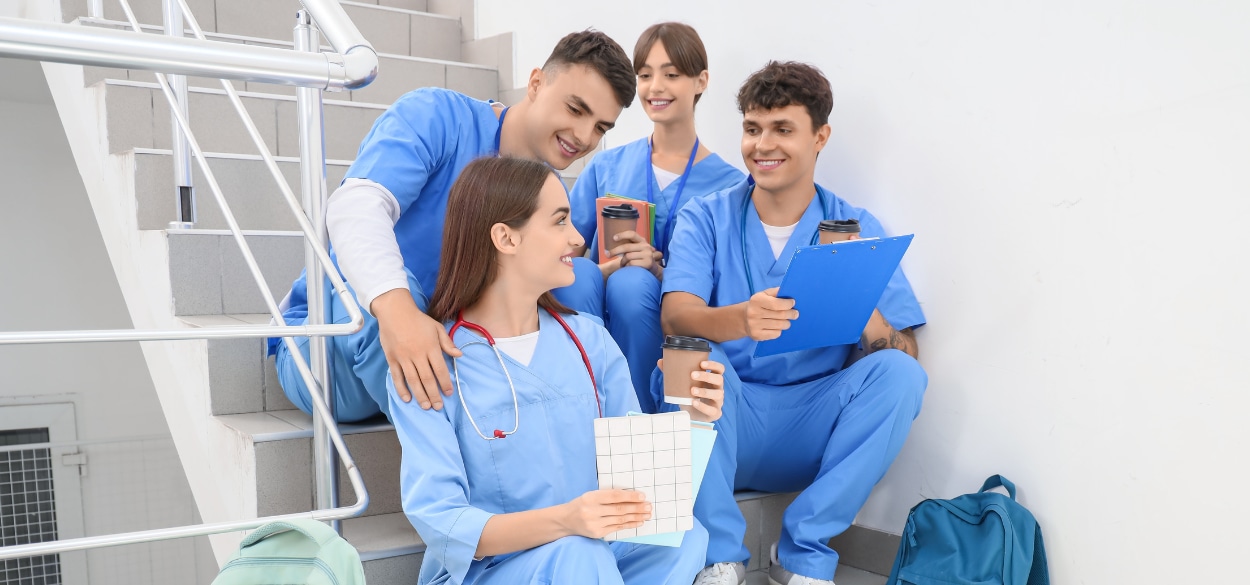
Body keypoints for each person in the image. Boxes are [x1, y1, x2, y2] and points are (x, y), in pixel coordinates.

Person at [269, 31, 637, 422]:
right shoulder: (437, 116)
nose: (584, 136)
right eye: (575, 109)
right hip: (333, 344)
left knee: (577, 281)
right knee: (400, 294)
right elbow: (354, 206)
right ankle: (466, 448)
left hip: (446, 346)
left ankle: (579, 426)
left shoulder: (546, 189)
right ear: (535, 84)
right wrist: (398, 311)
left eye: (601, 128)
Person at [392, 156, 727, 584]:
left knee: (687, 538)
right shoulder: (431, 361)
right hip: (490, 571)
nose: (577, 238)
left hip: (590, 553)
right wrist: (568, 521)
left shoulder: (590, 341)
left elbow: (639, 490)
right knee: (578, 554)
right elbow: (442, 519)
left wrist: (693, 417)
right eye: (560, 221)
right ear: (506, 238)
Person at [657, 62, 929, 585]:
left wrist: (856, 295)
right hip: (728, 419)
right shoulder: (705, 216)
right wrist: (741, 318)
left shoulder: (856, 227)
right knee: (688, 358)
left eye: (782, 129)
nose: (763, 145)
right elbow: (675, 316)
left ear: (820, 137)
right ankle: (719, 557)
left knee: (902, 375)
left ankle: (802, 552)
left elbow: (905, 351)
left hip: (814, 423)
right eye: (752, 128)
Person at [554, 22, 744, 411]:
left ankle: (640, 421)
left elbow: (727, 289)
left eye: (671, 75)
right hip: (596, 308)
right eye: (645, 75)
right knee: (580, 275)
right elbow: (560, 250)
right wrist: (605, 269)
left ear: (701, 81)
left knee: (632, 285)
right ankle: (579, 408)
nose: (655, 87)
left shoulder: (730, 187)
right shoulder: (606, 166)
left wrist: (659, 273)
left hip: (670, 337)